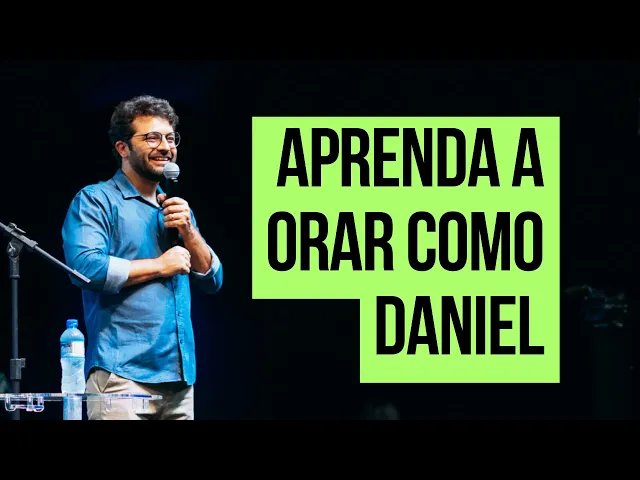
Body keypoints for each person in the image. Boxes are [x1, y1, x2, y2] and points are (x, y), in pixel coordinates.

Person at [61, 95, 223, 420]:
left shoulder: (176, 209)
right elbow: (84, 268)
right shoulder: (96, 200)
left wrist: (189, 231)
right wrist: (160, 266)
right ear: (122, 148)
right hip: (122, 378)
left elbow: (213, 279)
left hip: (180, 382)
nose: (165, 147)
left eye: (170, 138)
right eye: (152, 137)